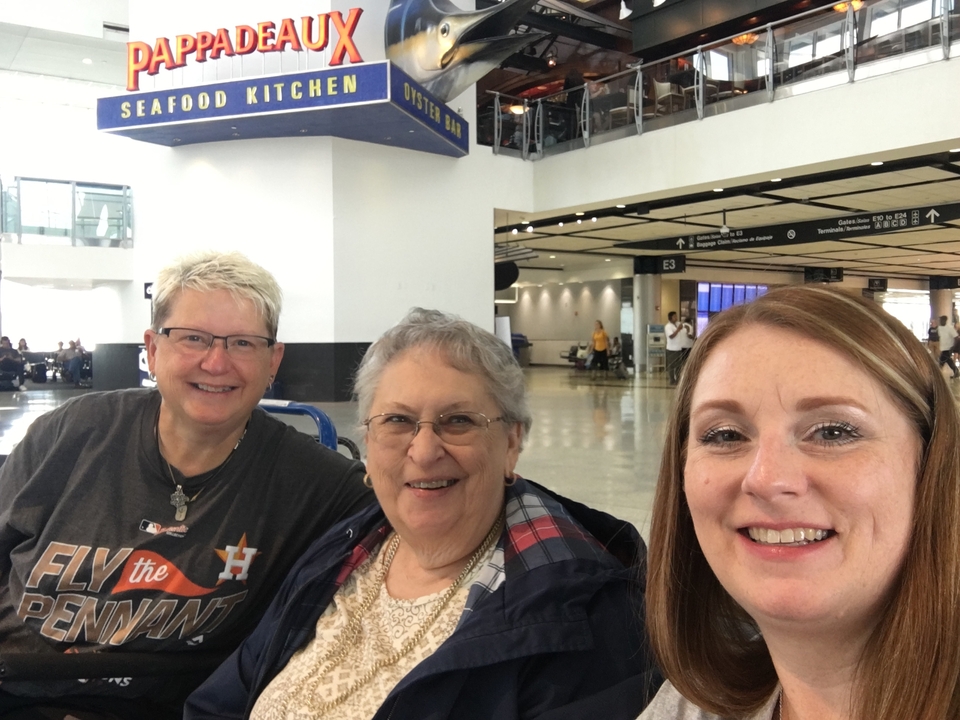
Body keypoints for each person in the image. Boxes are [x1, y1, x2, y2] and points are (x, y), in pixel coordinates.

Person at [186, 308, 661, 720]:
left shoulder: (587, 616)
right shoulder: (343, 550)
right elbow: (224, 699)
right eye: (397, 420)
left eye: (458, 421)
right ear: (368, 442)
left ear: (512, 441)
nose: (425, 449)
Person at [0, 250, 374, 719]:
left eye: (242, 343)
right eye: (193, 338)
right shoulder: (70, 433)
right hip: (16, 688)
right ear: (153, 349)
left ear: (273, 360)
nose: (216, 363)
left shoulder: (315, 484)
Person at [641, 285, 960, 720]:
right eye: (726, 435)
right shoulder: (686, 708)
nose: (767, 479)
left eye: (833, 431)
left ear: (930, 462)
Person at [664, 312, 684, 385]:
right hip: (671, 349)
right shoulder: (668, 326)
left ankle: (678, 379)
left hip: (678, 348)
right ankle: (672, 380)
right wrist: (678, 329)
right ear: (670, 318)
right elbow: (671, 336)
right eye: (674, 316)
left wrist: (680, 327)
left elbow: (682, 326)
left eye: (676, 316)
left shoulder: (676, 324)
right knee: (672, 365)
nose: (676, 318)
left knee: (678, 365)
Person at [937, 314, 958, 379]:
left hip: (949, 347)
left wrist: (953, 347)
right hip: (942, 347)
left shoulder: (950, 328)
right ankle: (956, 371)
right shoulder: (939, 328)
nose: (940, 321)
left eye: (941, 320)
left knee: (943, 360)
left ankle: (937, 374)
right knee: (947, 360)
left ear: (945, 320)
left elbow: (956, 337)